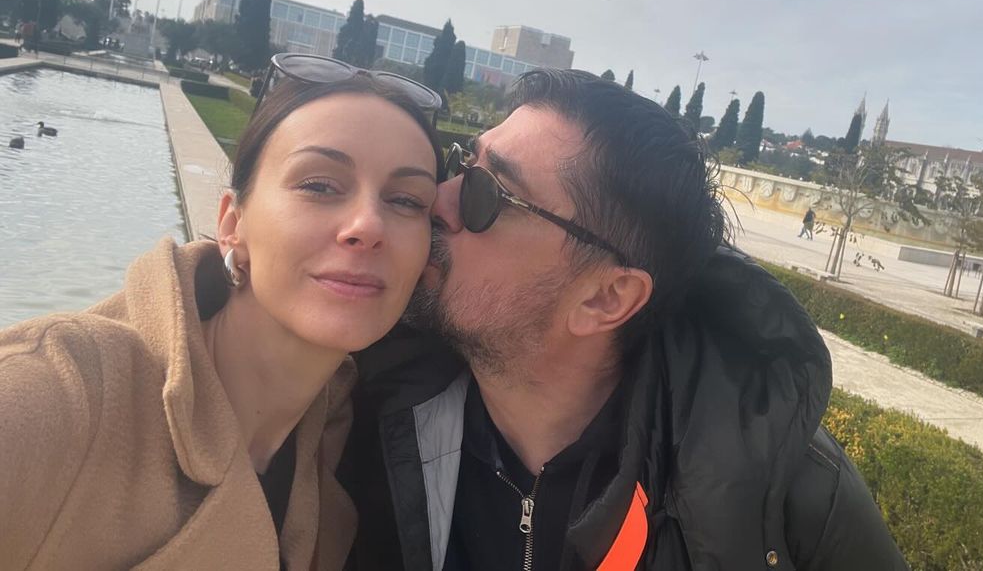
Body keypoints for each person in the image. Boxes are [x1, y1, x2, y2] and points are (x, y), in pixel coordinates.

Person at [344, 69, 908, 570]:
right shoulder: (364, 397)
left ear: (606, 299)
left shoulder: (785, 495)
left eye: (486, 193)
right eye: (463, 164)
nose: (438, 200)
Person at [0, 53, 444, 570]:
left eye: (407, 201)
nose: (367, 225)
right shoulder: (63, 394)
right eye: (319, 185)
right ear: (232, 224)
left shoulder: (350, 436)